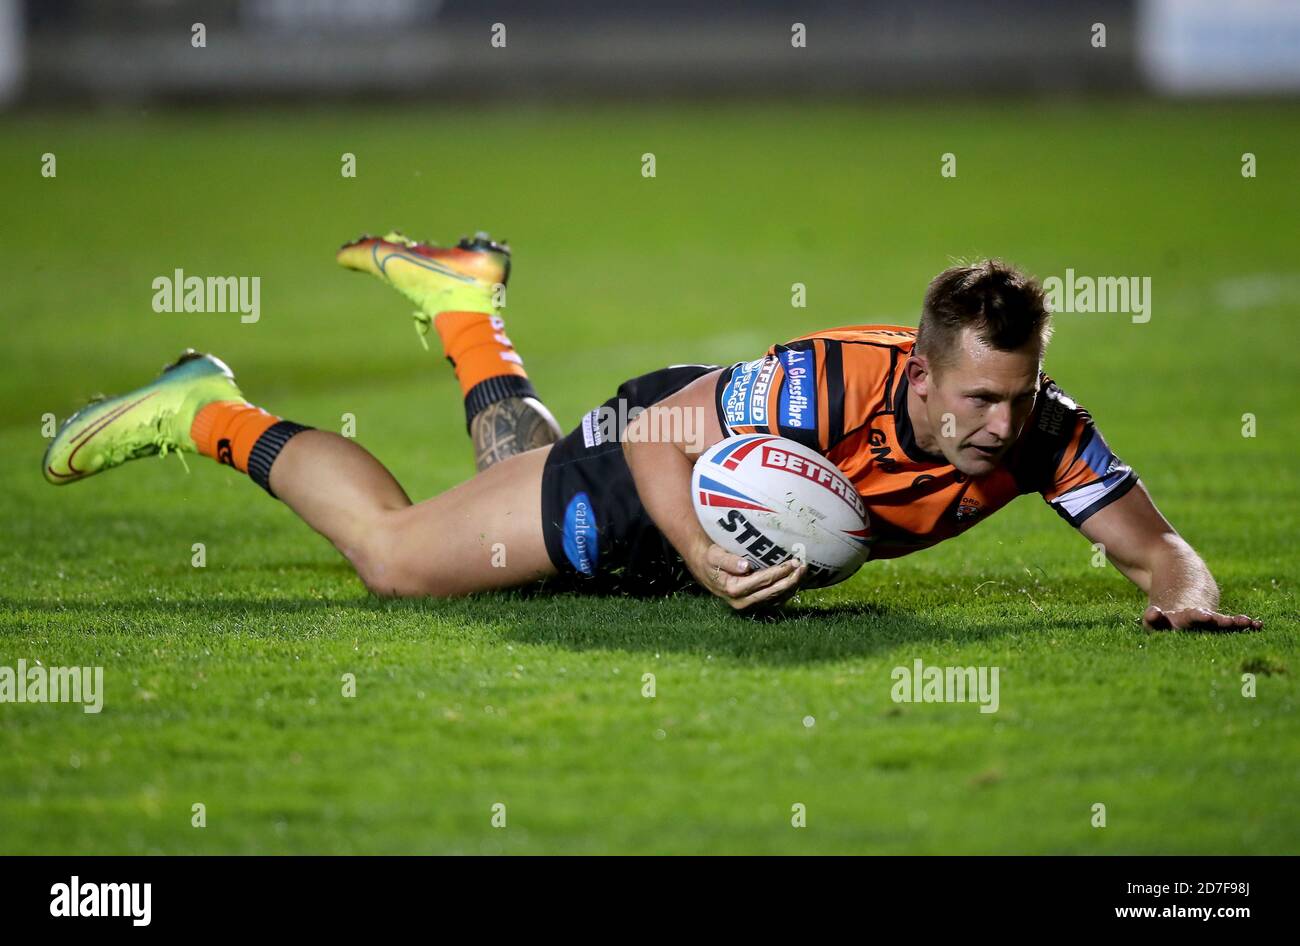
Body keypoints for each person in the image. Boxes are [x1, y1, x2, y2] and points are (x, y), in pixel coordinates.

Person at [43, 231, 1262, 630]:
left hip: (696, 469)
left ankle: (470, 308)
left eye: (1024, 393)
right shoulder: (826, 382)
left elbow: (1158, 551)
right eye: (980, 401)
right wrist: (694, 553)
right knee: (406, 561)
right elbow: (652, 437)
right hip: (660, 441)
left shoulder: (1046, 429)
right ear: (930, 379)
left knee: (514, 493)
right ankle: (211, 406)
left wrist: (1188, 597)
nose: (1003, 425)